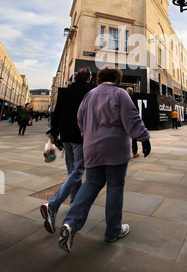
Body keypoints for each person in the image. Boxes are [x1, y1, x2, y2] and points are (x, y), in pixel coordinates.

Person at [58, 65, 151, 253]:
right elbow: (132, 119)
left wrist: (88, 136)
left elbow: (80, 120)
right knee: (115, 186)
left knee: (91, 184)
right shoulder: (120, 94)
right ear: (117, 79)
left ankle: (70, 223)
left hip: (92, 149)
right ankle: (113, 230)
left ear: (99, 78)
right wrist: (144, 138)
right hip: (115, 149)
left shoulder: (89, 95)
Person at [40, 67, 93, 234]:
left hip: (66, 136)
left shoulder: (65, 92)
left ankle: (74, 207)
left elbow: (57, 113)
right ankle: (53, 205)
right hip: (80, 137)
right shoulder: (90, 92)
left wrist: (54, 133)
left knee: (72, 171)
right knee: (78, 171)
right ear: (89, 79)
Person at [126, 87, 139, 158]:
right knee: (134, 136)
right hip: (132, 120)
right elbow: (137, 109)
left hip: (125, 119)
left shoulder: (124, 98)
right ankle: (134, 152)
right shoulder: (134, 99)